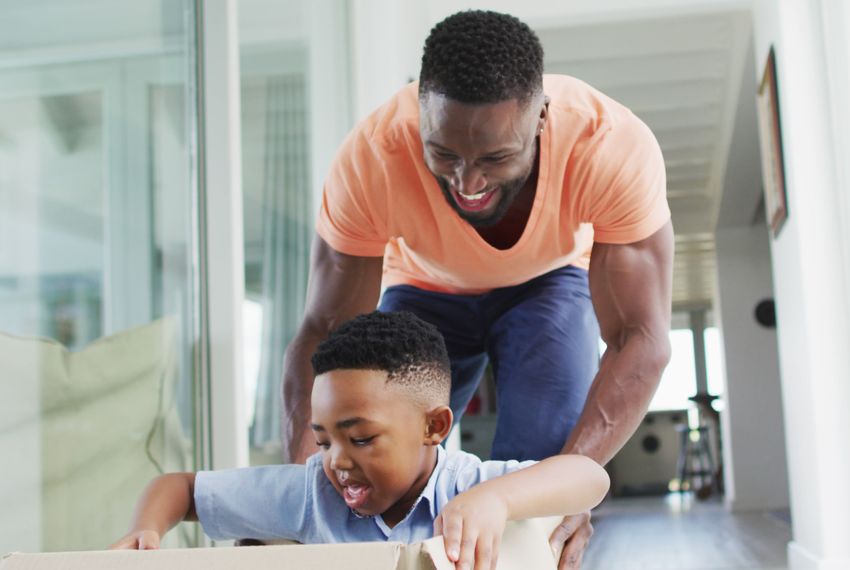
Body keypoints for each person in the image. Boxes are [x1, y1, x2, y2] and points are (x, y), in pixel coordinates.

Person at [282, 10, 673, 568]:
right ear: (420, 117)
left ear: (541, 119)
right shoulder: (371, 156)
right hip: (421, 286)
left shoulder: (608, 145)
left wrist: (565, 493)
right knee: (375, 440)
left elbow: (642, 338)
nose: (467, 183)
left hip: (549, 282)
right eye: (444, 154)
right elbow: (323, 333)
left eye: (494, 158)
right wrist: (301, 502)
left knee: (533, 484)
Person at [112, 311, 609, 570]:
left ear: (435, 427)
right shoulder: (310, 496)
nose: (337, 462)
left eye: (362, 439)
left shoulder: (469, 488)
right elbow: (179, 488)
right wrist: (146, 531)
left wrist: (496, 500)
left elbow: (590, 477)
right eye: (324, 441)